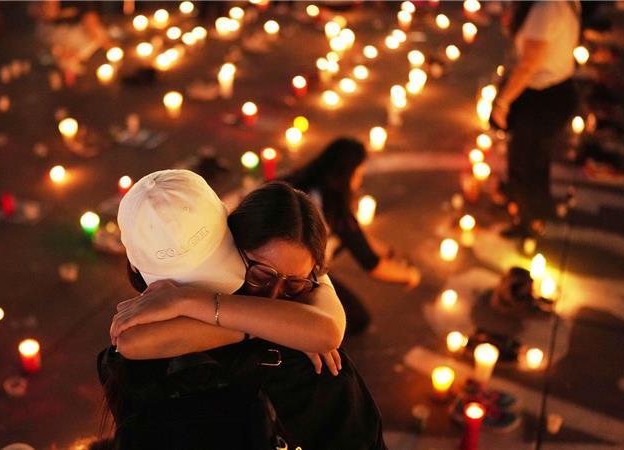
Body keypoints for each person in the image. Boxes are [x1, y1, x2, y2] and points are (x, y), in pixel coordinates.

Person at [99, 170, 386, 450]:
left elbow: (326, 331)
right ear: (230, 230)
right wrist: (274, 328)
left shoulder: (306, 319)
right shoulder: (294, 350)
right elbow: (131, 343)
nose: (273, 296)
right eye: (260, 274)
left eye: (296, 284)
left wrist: (184, 300)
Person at [284, 137, 421, 335]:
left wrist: (390, 252)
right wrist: (409, 276)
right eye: (358, 174)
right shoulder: (333, 207)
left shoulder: (299, 181)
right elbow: (371, 264)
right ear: (346, 176)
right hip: (297, 277)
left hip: (270, 262)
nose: (360, 180)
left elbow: (356, 237)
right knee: (357, 318)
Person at [490, 1, 580, 238]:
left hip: (542, 98)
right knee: (537, 159)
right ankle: (536, 211)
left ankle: (528, 221)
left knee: (523, 161)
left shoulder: (546, 8)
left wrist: (502, 102)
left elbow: (530, 64)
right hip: (558, 90)